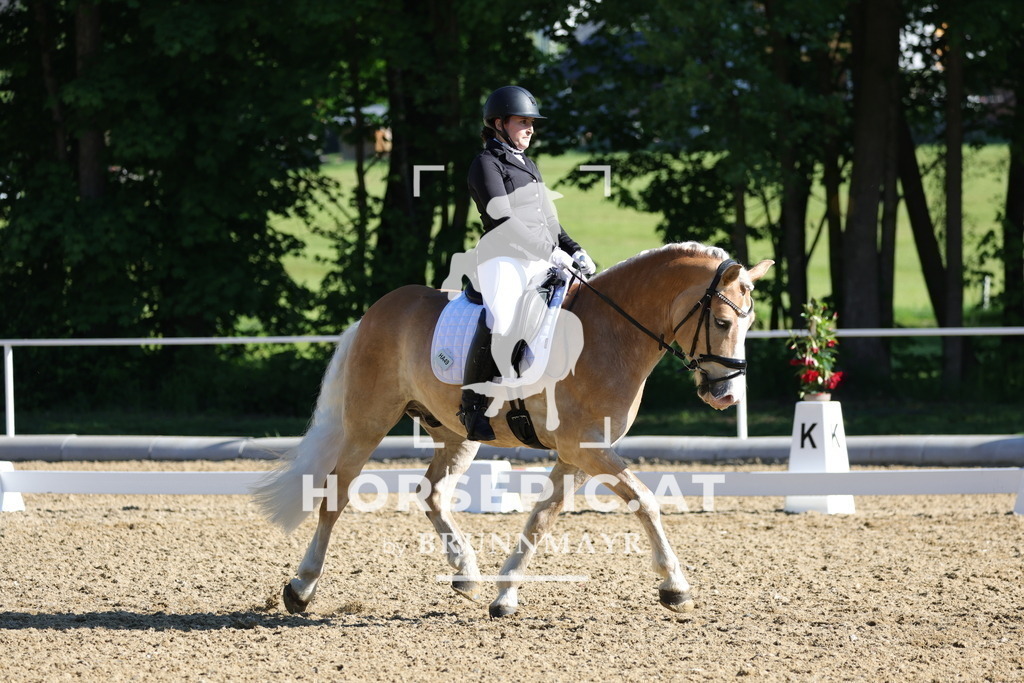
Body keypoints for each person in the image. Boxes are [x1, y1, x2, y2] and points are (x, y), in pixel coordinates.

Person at [457, 85, 597, 442]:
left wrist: (574, 248)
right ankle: (472, 404)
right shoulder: (485, 164)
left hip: (538, 257)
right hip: (502, 259)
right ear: (499, 123)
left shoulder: (528, 165)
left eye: (532, 123)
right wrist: (548, 252)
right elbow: (502, 219)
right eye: (522, 122)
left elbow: (548, 219)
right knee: (501, 314)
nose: (530, 128)